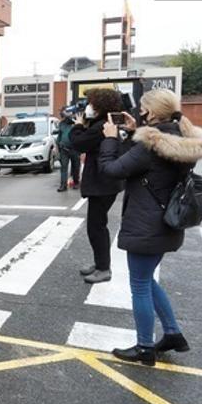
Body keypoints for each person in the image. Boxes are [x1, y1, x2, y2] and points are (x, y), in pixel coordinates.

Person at [98, 89, 202, 365]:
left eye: (142, 109)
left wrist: (111, 140)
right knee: (147, 280)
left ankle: (145, 347)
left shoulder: (150, 145)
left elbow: (112, 169)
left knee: (139, 285)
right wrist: (137, 131)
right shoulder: (179, 138)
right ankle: (172, 333)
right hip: (166, 223)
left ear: (150, 112)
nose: (139, 112)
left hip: (146, 225)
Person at [69, 88, 126, 284]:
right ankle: (100, 263)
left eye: (91, 103)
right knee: (97, 225)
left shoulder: (102, 126)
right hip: (107, 182)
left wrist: (77, 125)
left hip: (102, 183)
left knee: (96, 227)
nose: (88, 106)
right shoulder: (108, 122)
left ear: (100, 105)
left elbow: (78, 143)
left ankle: (103, 268)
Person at [55, 108, 81, 192]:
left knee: (76, 167)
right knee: (63, 167)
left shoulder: (76, 123)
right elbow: (59, 136)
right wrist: (58, 147)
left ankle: (76, 182)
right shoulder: (62, 124)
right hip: (64, 149)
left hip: (75, 149)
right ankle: (63, 185)